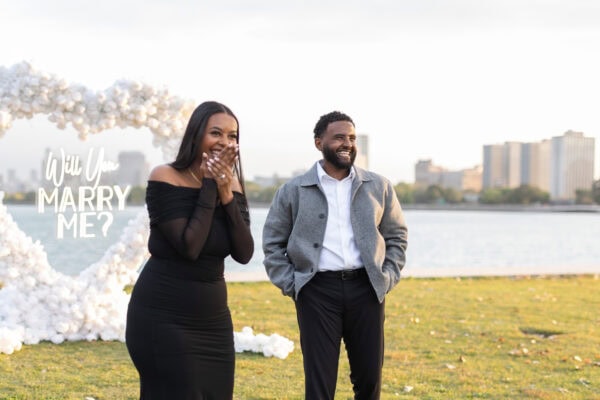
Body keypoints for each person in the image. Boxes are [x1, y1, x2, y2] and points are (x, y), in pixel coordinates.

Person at [262, 111, 408, 400]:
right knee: (320, 384)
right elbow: (272, 244)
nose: (348, 143)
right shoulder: (293, 190)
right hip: (316, 291)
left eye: (352, 138)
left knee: (369, 381)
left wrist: (387, 277)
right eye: (339, 137)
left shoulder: (378, 186)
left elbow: (397, 236)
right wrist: (294, 285)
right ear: (319, 142)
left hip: (367, 289)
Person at [125, 101, 254, 399]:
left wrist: (225, 194)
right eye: (216, 133)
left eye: (232, 136)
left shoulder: (232, 185)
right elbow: (190, 246)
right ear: (196, 135)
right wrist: (210, 184)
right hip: (162, 318)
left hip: (213, 322)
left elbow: (244, 253)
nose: (225, 142)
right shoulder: (165, 176)